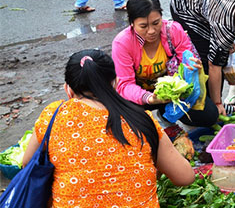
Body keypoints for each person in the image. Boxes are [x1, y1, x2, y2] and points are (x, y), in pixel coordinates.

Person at [22, 49, 195, 207]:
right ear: (115, 83)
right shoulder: (141, 119)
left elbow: (27, 166)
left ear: (68, 90)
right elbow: (185, 177)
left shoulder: (53, 116)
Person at [112, 0, 219, 128]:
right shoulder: (122, 43)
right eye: (143, 26)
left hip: (172, 93)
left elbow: (187, 57)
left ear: (161, 16)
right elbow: (125, 85)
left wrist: (191, 65)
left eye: (156, 23)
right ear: (132, 23)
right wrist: (150, 98)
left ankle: (164, 113)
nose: (151, 31)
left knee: (209, 115)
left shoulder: (174, 30)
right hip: (142, 96)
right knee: (132, 125)